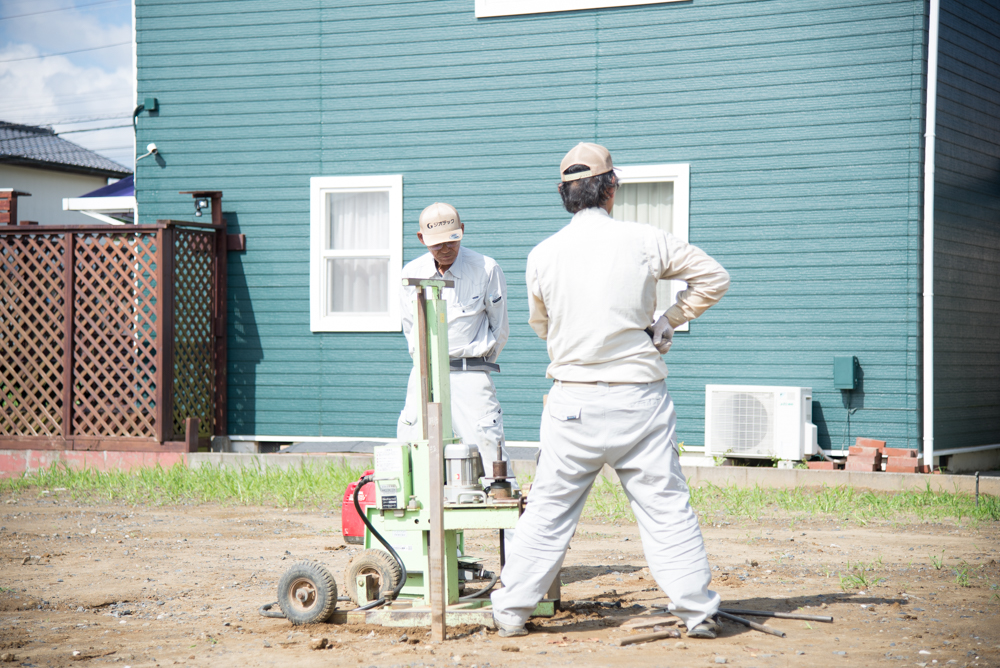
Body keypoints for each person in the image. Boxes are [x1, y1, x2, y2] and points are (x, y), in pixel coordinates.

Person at [491, 143, 730, 639]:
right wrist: (668, 320)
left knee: (548, 510)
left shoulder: (542, 255)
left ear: (564, 194)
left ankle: (512, 611)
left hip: (573, 399)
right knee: (665, 507)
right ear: (612, 186)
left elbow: (541, 325)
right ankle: (697, 611)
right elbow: (712, 277)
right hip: (638, 398)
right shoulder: (645, 239)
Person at [397, 202, 513, 480]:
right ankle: (414, 519)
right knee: (412, 449)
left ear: (461, 231)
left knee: (490, 450)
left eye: (452, 241)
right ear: (421, 239)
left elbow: (500, 329)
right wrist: (427, 367)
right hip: (425, 373)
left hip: (470, 373)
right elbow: (410, 329)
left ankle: (508, 523)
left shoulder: (485, 268)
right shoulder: (411, 274)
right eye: (436, 244)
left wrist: (476, 363)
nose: (445, 249)